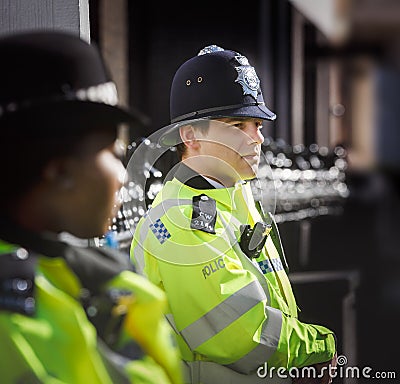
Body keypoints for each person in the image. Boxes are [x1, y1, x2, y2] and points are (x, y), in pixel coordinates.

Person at [131, 45, 337, 383]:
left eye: (257, 124)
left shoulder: (233, 194)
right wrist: (318, 348)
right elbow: (242, 334)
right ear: (190, 134)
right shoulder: (183, 222)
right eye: (238, 124)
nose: (256, 139)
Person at [0, 31, 183, 384]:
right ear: (61, 172)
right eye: (114, 153)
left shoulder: (76, 272)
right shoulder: (16, 312)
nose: (123, 177)